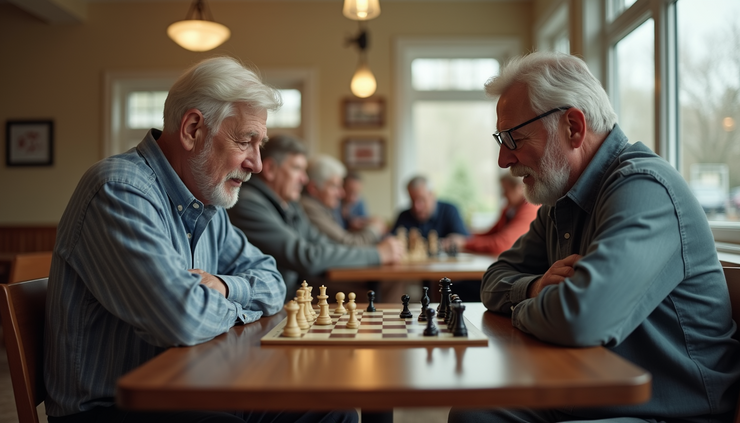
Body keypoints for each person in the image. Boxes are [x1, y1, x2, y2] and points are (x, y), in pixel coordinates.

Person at [44, 56, 357, 423]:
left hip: (189, 387)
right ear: (193, 129)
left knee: (332, 409)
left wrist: (225, 288)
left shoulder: (208, 204)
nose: (256, 163)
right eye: (246, 141)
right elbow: (183, 319)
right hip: (111, 408)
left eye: (261, 144)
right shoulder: (119, 190)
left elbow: (273, 282)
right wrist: (228, 301)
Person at [449, 51, 740, 423]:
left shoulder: (645, 189)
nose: (504, 160)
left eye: (513, 138)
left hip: (666, 411)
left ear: (573, 126)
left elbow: (580, 319)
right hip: (591, 393)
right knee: (473, 413)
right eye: (501, 140)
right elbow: (493, 281)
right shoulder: (561, 200)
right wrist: (538, 288)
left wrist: (523, 308)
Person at [228, 134, 403, 302]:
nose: (304, 179)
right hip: (273, 300)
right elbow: (305, 256)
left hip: (296, 288)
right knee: (371, 298)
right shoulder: (248, 203)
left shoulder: (289, 203)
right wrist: (376, 254)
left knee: (380, 290)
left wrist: (374, 253)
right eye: (297, 168)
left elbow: (320, 242)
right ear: (270, 169)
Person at [301, 154, 386, 246]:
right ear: (313, 188)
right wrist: (375, 228)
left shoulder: (322, 206)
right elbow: (348, 244)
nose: (341, 193)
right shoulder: (308, 207)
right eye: (334, 186)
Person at [464, 174, 538, 256]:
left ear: (519, 188)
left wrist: (465, 244)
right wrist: (465, 237)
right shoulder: (509, 210)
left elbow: (501, 245)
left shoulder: (530, 210)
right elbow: (491, 233)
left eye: (506, 190)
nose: (503, 195)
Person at [391, 175, 469, 251]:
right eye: (412, 200)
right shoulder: (403, 216)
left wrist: (440, 244)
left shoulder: (450, 211)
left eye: (421, 200)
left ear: (432, 195)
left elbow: (465, 240)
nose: (417, 207)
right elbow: (391, 240)